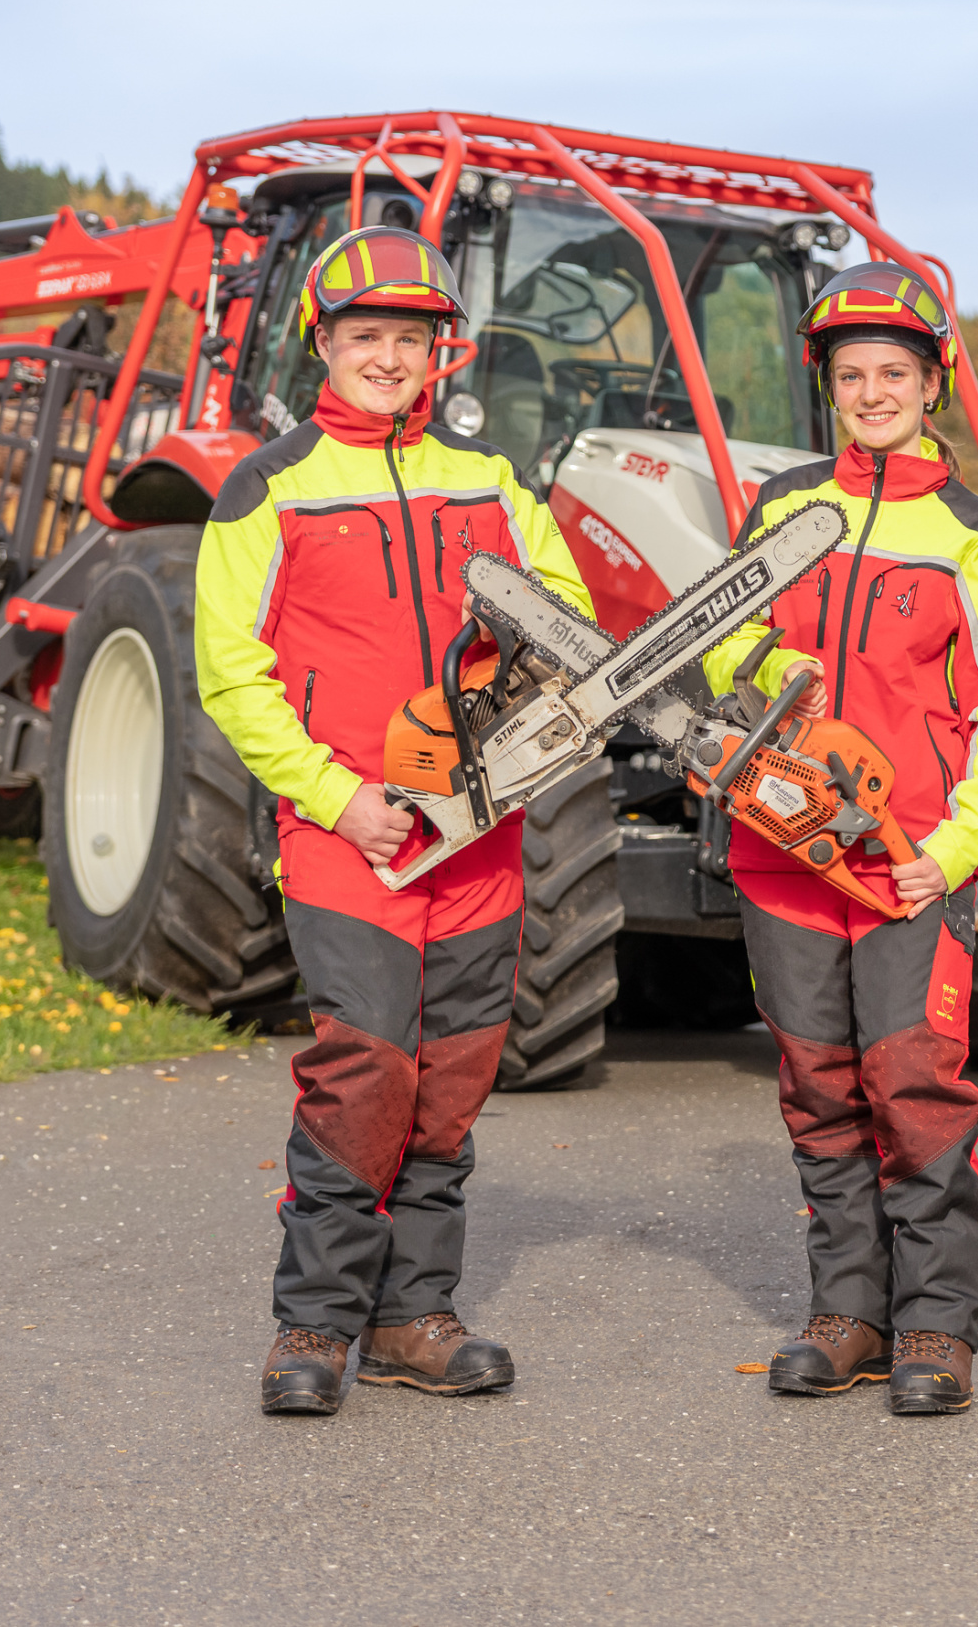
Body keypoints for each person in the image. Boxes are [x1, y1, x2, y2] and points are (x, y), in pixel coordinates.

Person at [196, 223, 595, 1418]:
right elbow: (230, 670)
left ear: (444, 351)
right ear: (324, 343)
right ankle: (313, 1324)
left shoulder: (492, 482)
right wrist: (337, 797)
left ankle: (413, 1316)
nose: (387, 356)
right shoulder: (268, 486)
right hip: (350, 833)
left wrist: (526, 698)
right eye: (365, 335)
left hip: (483, 831)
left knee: (452, 1080)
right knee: (363, 1068)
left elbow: (564, 608)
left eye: (409, 337)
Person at [703, 260, 978, 1417]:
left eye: (894, 370)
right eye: (852, 373)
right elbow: (715, 647)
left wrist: (951, 847)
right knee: (817, 1080)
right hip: (781, 849)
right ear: (826, 385)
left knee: (910, 1080)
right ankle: (846, 1312)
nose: (873, 390)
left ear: (931, 381)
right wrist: (769, 667)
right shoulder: (784, 508)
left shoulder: (969, 531)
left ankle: (936, 1325)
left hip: (906, 861)